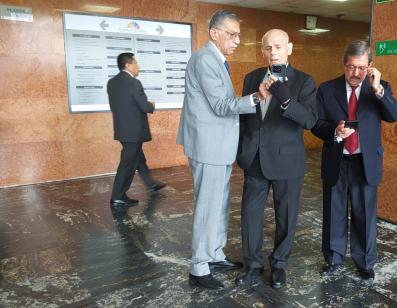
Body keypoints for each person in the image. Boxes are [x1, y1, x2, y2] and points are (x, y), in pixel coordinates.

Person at [176, 10, 267, 290]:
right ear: (214, 33)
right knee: (208, 206)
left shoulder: (217, 60)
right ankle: (199, 267)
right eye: (232, 33)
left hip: (218, 146)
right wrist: (256, 96)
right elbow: (221, 105)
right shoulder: (205, 60)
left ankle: (214, 254)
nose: (238, 40)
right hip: (209, 146)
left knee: (219, 204)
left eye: (239, 34)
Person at [311, 40, 397, 280]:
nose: (355, 73)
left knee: (364, 215)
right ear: (344, 65)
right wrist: (334, 131)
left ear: (370, 66)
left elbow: (395, 115)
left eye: (361, 68)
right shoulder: (327, 89)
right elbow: (316, 124)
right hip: (337, 159)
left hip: (365, 162)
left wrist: (378, 90)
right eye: (351, 67)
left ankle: (365, 262)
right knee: (334, 212)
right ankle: (333, 258)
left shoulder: (379, 88)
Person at [234, 29, 317, 289]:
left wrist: (284, 97)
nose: (274, 52)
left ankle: (279, 264)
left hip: (287, 161)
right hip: (255, 159)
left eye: (279, 46)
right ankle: (253, 264)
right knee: (250, 215)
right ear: (262, 51)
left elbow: (309, 120)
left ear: (290, 48)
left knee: (286, 215)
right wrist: (259, 98)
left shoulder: (304, 81)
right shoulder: (251, 78)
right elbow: (244, 118)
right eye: (268, 47)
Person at [108, 52, 166, 207]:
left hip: (122, 130)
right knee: (127, 164)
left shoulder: (112, 82)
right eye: (136, 63)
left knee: (138, 158)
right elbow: (144, 106)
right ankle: (118, 196)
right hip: (133, 132)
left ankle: (150, 183)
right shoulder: (134, 83)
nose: (138, 67)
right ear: (128, 65)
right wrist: (151, 104)